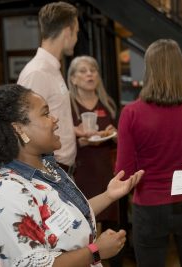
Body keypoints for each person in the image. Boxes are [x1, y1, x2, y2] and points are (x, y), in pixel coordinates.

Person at [0, 84, 144, 267]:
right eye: (45, 114)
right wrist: (95, 251)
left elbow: (66, 217)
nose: (54, 119)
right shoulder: (7, 193)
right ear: (19, 129)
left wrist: (109, 195)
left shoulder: (47, 168)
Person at [115, 39, 182, 267]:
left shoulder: (131, 113)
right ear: (181, 68)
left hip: (149, 204)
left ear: (149, 70)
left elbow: (124, 172)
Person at [67, 56, 121, 266]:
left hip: (106, 170)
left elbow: (116, 137)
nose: (89, 74)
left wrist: (113, 135)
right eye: (83, 71)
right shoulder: (68, 106)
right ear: (73, 79)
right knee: (83, 225)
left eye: (93, 70)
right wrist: (79, 142)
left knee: (111, 223)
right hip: (81, 171)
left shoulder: (107, 104)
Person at [18, 1, 79, 173]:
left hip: (60, 168)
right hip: (49, 168)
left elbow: (48, 116)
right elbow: (24, 128)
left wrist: (73, 131)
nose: (76, 38)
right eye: (76, 32)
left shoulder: (51, 68)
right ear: (68, 31)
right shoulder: (37, 72)